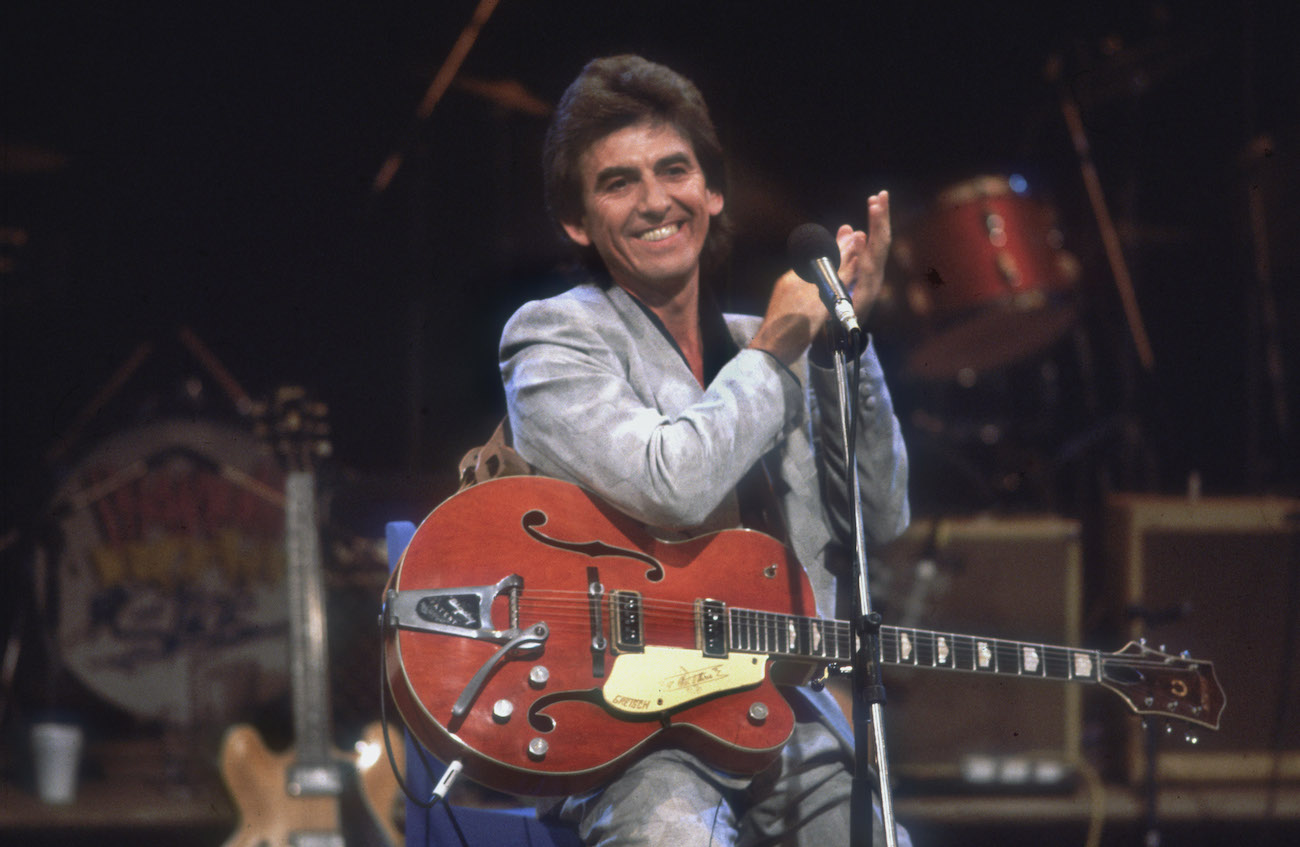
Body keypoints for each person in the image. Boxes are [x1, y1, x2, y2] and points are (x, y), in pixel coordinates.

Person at [499, 54, 912, 847]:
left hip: (791, 728)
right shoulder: (555, 337)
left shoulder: (765, 346)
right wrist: (777, 349)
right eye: (618, 182)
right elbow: (672, 484)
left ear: (711, 191)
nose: (656, 200)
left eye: (674, 169)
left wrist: (843, 350)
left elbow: (882, 513)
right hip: (634, 741)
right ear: (578, 221)